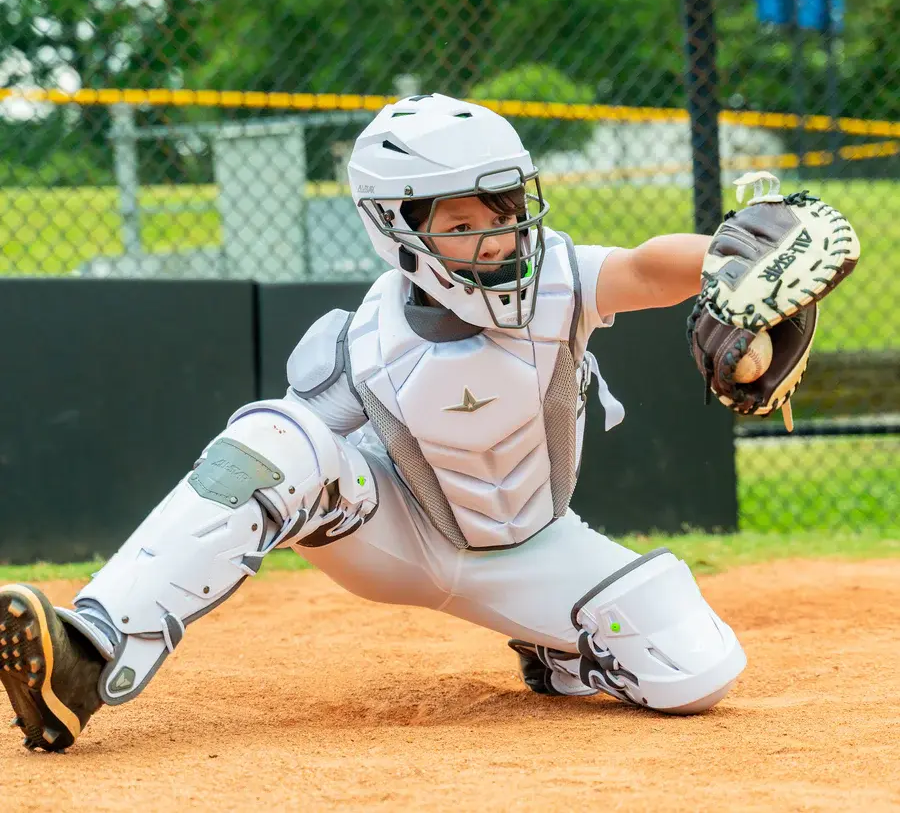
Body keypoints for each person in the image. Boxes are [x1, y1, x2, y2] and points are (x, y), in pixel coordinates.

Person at [0, 93, 746, 752]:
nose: (498, 235)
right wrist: (301, 479)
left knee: (699, 672)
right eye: (462, 219)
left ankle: (563, 654)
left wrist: (736, 258)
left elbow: (651, 268)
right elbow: (281, 467)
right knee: (276, 436)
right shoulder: (360, 339)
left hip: (536, 544)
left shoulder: (561, 277)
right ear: (398, 228)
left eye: (506, 209)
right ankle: (91, 652)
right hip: (402, 537)